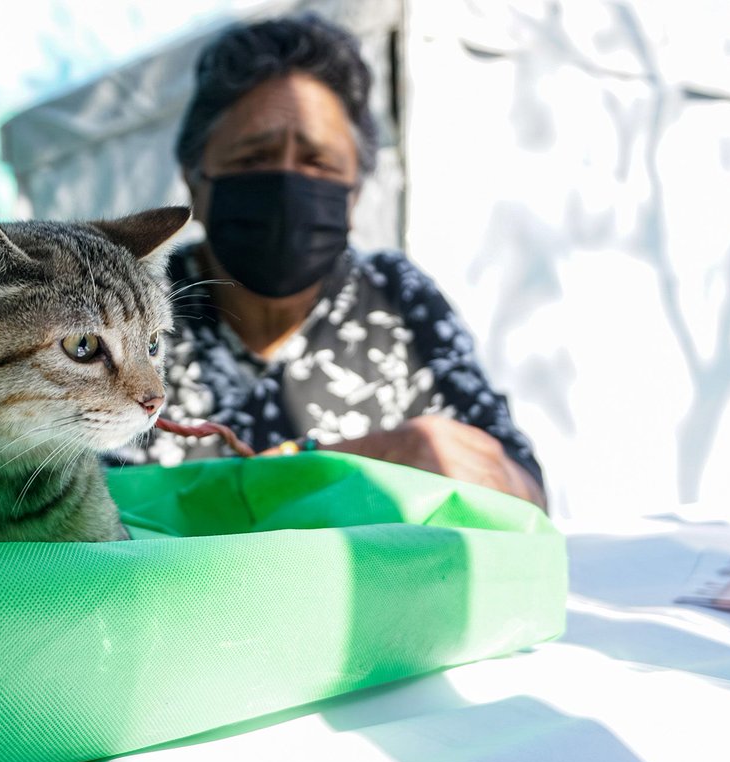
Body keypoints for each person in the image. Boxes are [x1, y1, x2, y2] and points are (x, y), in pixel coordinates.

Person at [128, 13, 547, 508]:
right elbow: (78, 510)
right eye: (253, 159)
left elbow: (522, 490)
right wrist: (359, 463)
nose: (286, 187)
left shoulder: (393, 298)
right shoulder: (138, 307)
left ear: (355, 191)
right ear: (195, 178)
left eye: (318, 162)